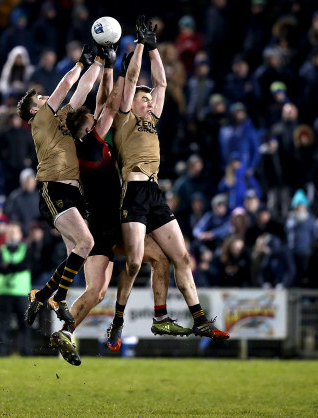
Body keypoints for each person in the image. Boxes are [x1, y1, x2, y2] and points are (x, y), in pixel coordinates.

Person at [64, 35, 194, 358]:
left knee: (100, 288)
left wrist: (106, 66)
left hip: (104, 222)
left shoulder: (84, 145)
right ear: (87, 127)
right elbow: (108, 103)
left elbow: (103, 102)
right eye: (92, 120)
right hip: (112, 219)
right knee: (134, 269)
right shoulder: (96, 141)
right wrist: (115, 65)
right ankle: (93, 321)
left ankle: (69, 332)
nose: (97, 119)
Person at [107, 16, 229, 350]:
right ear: (130, 102)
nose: (147, 101)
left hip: (154, 192)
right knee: (133, 263)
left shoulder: (150, 121)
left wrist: (156, 49)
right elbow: (134, 76)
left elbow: (160, 83)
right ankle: (117, 322)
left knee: (181, 258)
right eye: (142, 98)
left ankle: (198, 321)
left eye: (148, 100)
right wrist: (141, 46)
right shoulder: (124, 117)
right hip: (131, 192)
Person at [16, 42, 104, 364]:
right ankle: (59, 297)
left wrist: (100, 62)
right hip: (55, 191)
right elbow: (68, 83)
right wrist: (81, 62)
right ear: (34, 111)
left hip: (73, 194)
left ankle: (45, 295)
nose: (46, 99)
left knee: (74, 256)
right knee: (87, 242)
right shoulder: (39, 122)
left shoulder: (61, 120)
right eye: (41, 99)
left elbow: (80, 92)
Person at [0, 222, 32, 357]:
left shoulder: (25, 249)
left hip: (21, 292)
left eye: (14, 233)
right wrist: (12, 267)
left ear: (20, 235)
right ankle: (2, 352)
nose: (12, 236)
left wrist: (8, 266)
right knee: (3, 324)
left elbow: (25, 265)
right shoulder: (2, 250)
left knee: (24, 325)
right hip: (5, 292)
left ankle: (25, 352)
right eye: (9, 234)